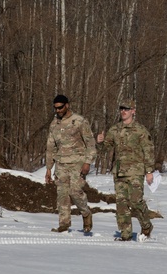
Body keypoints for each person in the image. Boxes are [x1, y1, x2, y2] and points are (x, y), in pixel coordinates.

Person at [97, 98, 155, 242]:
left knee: (135, 201)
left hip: (136, 171)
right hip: (119, 172)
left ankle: (146, 225)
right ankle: (125, 234)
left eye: (126, 109)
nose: (123, 111)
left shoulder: (140, 130)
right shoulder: (115, 130)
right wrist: (99, 142)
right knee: (121, 204)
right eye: (121, 108)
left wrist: (149, 171)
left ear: (133, 111)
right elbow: (106, 148)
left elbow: (148, 150)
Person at [45, 94, 96, 234]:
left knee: (75, 192)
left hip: (77, 163)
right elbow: (50, 147)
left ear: (67, 105)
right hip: (61, 164)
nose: (58, 110)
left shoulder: (79, 121)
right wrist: (49, 168)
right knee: (62, 195)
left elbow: (91, 144)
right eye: (55, 108)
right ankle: (64, 224)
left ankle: (86, 213)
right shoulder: (54, 123)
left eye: (60, 107)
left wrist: (87, 162)